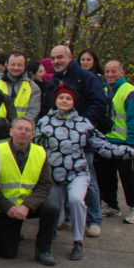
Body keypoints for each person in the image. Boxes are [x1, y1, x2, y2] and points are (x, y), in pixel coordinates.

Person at [36, 85, 134, 260]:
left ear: (74, 102)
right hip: (54, 174)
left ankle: (77, 242)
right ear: (56, 101)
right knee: (53, 209)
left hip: (78, 172)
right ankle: (47, 240)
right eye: (61, 98)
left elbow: (103, 145)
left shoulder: (83, 123)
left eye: (68, 98)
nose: (64, 101)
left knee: (76, 200)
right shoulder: (44, 122)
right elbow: (35, 148)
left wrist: (130, 151)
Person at [44, 45, 110, 238]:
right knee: (60, 178)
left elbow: (99, 103)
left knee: (88, 180)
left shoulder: (86, 78)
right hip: (59, 141)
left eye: (60, 57)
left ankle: (94, 220)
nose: (56, 61)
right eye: (53, 58)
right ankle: (66, 218)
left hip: (82, 140)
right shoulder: (55, 79)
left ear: (70, 57)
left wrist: (80, 126)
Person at [0, 117, 59, 265]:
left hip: (27, 206)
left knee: (52, 208)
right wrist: (9, 208)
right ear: (11, 132)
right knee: (7, 253)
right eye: (19, 129)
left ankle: (43, 250)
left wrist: (26, 206)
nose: (23, 132)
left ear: (33, 135)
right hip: (4, 208)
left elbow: (44, 185)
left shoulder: (40, 152)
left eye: (27, 130)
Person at [98, 60, 134, 224]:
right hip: (107, 142)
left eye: (114, 71)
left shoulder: (131, 93)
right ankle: (111, 205)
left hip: (125, 143)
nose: (110, 75)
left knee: (127, 176)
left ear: (122, 72)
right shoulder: (104, 90)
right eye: (107, 72)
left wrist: (132, 145)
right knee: (106, 175)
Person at [0, 51, 42, 120]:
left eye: (19, 65)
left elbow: (33, 112)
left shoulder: (33, 87)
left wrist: (19, 126)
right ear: (6, 65)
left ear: (25, 66)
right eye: (13, 64)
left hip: (22, 129)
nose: (16, 68)